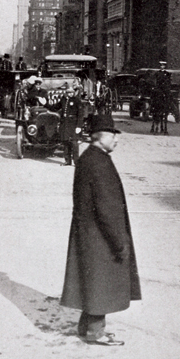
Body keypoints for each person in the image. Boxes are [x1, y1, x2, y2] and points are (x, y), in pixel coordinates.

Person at [60, 114, 140, 346]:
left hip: (87, 231)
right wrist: (119, 241)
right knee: (100, 282)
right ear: (99, 136)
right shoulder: (99, 163)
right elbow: (107, 207)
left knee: (91, 279)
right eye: (113, 134)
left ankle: (86, 327)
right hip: (100, 234)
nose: (116, 139)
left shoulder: (88, 158)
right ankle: (96, 332)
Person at [59, 85, 84, 166]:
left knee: (74, 143)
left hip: (73, 124)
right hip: (65, 123)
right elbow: (55, 107)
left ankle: (76, 162)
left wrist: (79, 126)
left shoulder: (77, 100)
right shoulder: (63, 99)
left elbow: (80, 114)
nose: (70, 94)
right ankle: (67, 161)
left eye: (71, 92)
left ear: (73, 93)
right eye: (68, 92)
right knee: (66, 142)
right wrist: (46, 104)